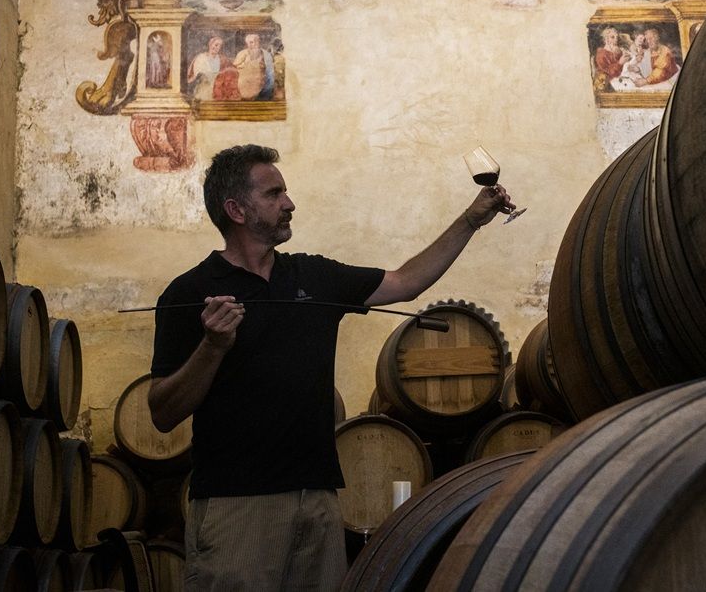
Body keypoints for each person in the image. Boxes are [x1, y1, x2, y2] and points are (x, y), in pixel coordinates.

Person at [148, 144, 513, 590]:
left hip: (318, 498)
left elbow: (406, 282)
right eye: (273, 194)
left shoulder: (313, 276)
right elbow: (163, 412)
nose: (289, 203)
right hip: (236, 505)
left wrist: (470, 221)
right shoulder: (190, 293)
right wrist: (212, 346)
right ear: (236, 210)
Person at [234, 32, 274, 100]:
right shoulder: (242, 53)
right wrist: (247, 65)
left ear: (258, 42)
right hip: (245, 83)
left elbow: (269, 70)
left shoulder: (266, 54)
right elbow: (235, 65)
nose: (251, 45)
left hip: (260, 83)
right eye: (249, 43)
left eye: (252, 42)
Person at [187, 35, 225, 101]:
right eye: (216, 45)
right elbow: (199, 74)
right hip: (204, 86)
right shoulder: (201, 58)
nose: (217, 48)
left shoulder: (221, 59)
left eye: (220, 46)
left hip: (217, 86)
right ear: (210, 44)